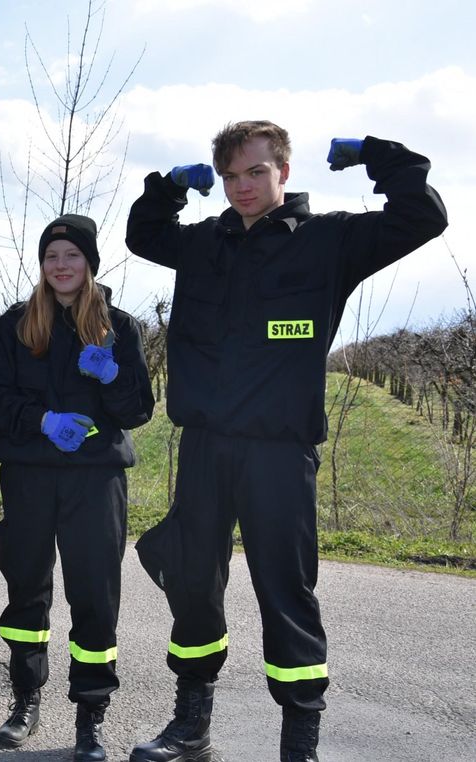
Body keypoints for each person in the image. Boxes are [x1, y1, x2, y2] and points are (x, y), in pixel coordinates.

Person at [124, 121, 448, 762]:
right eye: (230, 176)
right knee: (193, 583)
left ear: (284, 173)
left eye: (256, 172)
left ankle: (300, 740)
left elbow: (423, 216)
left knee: (286, 592)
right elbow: (142, 234)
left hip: (279, 450)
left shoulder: (330, 241)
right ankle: (191, 724)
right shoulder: (202, 244)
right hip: (206, 447)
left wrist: (378, 157)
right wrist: (166, 189)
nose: (242, 187)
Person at [0, 214, 154, 760]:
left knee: (94, 596)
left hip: (95, 479)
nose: (61, 266)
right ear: (41, 265)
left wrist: (112, 377)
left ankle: (91, 716)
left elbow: (139, 410)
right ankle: (25, 701)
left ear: (90, 263)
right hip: (30, 474)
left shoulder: (121, 328)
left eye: (72, 256)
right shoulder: (15, 324)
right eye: (52, 256)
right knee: (26, 589)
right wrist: (41, 421)